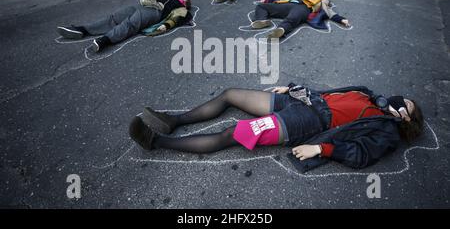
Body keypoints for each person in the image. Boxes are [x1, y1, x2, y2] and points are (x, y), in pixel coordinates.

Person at [130, 85, 423, 172]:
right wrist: (293, 87)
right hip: (302, 101)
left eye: (404, 105)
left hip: (307, 123)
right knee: (232, 94)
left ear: (407, 119)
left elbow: (360, 154)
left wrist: (321, 148)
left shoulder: (386, 130)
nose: (398, 100)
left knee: (234, 133)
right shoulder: (369, 95)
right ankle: (174, 120)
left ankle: (155, 141)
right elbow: (331, 94)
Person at [56, 0, 193, 52]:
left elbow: (180, 17)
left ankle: (105, 40)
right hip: (144, 5)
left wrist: (168, 24)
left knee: (131, 23)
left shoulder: (181, 7)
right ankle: (82, 29)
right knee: (115, 17)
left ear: (186, 2)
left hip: (156, 12)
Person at [247, 0, 350, 39]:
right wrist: (268, 1)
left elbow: (329, 12)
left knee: (292, 19)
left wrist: (341, 19)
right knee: (262, 6)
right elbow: (283, 0)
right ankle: (262, 21)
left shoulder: (322, 1)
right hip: (290, 4)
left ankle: (281, 30)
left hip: (304, 9)